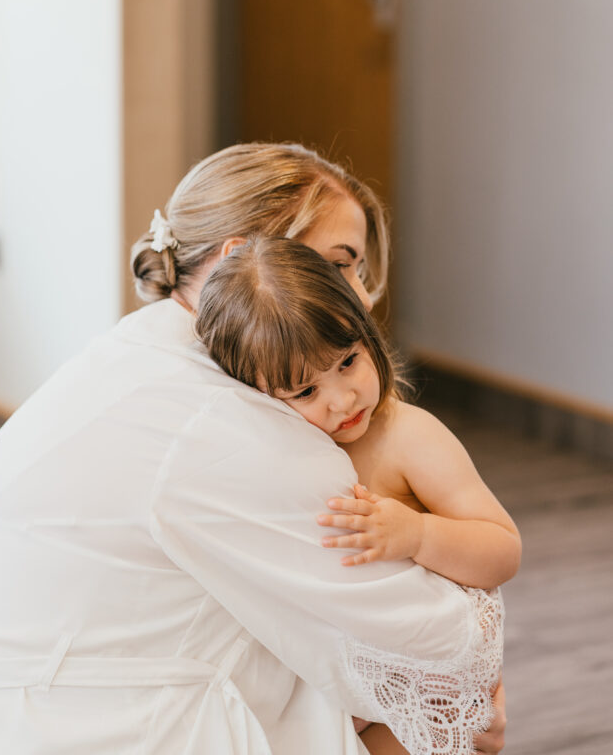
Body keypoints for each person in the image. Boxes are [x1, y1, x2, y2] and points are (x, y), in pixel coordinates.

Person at [0, 142, 507, 755]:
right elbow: (441, 642)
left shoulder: (140, 353)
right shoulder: (225, 425)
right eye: (339, 266)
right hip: (66, 723)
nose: (362, 299)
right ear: (240, 259)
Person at [196, 235, 521, 754]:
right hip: (338, 676)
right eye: (305, 392)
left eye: (348, 360)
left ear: (367, 333)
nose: (342, 399)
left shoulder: (407, 436)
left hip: (422, 679)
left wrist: (417, 532)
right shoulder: (276, 448)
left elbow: (502, 549)